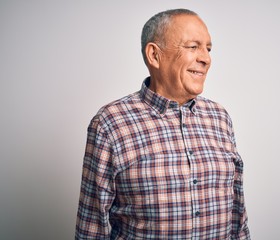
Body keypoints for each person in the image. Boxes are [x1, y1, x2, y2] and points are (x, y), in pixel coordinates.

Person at [76, 8, 250, 239]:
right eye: (193, 46)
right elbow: (91, 227)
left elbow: (238, 217)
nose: (206, 58)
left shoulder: (220, 118)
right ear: (154, 55)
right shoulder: (110, 124)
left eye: (208, 48)